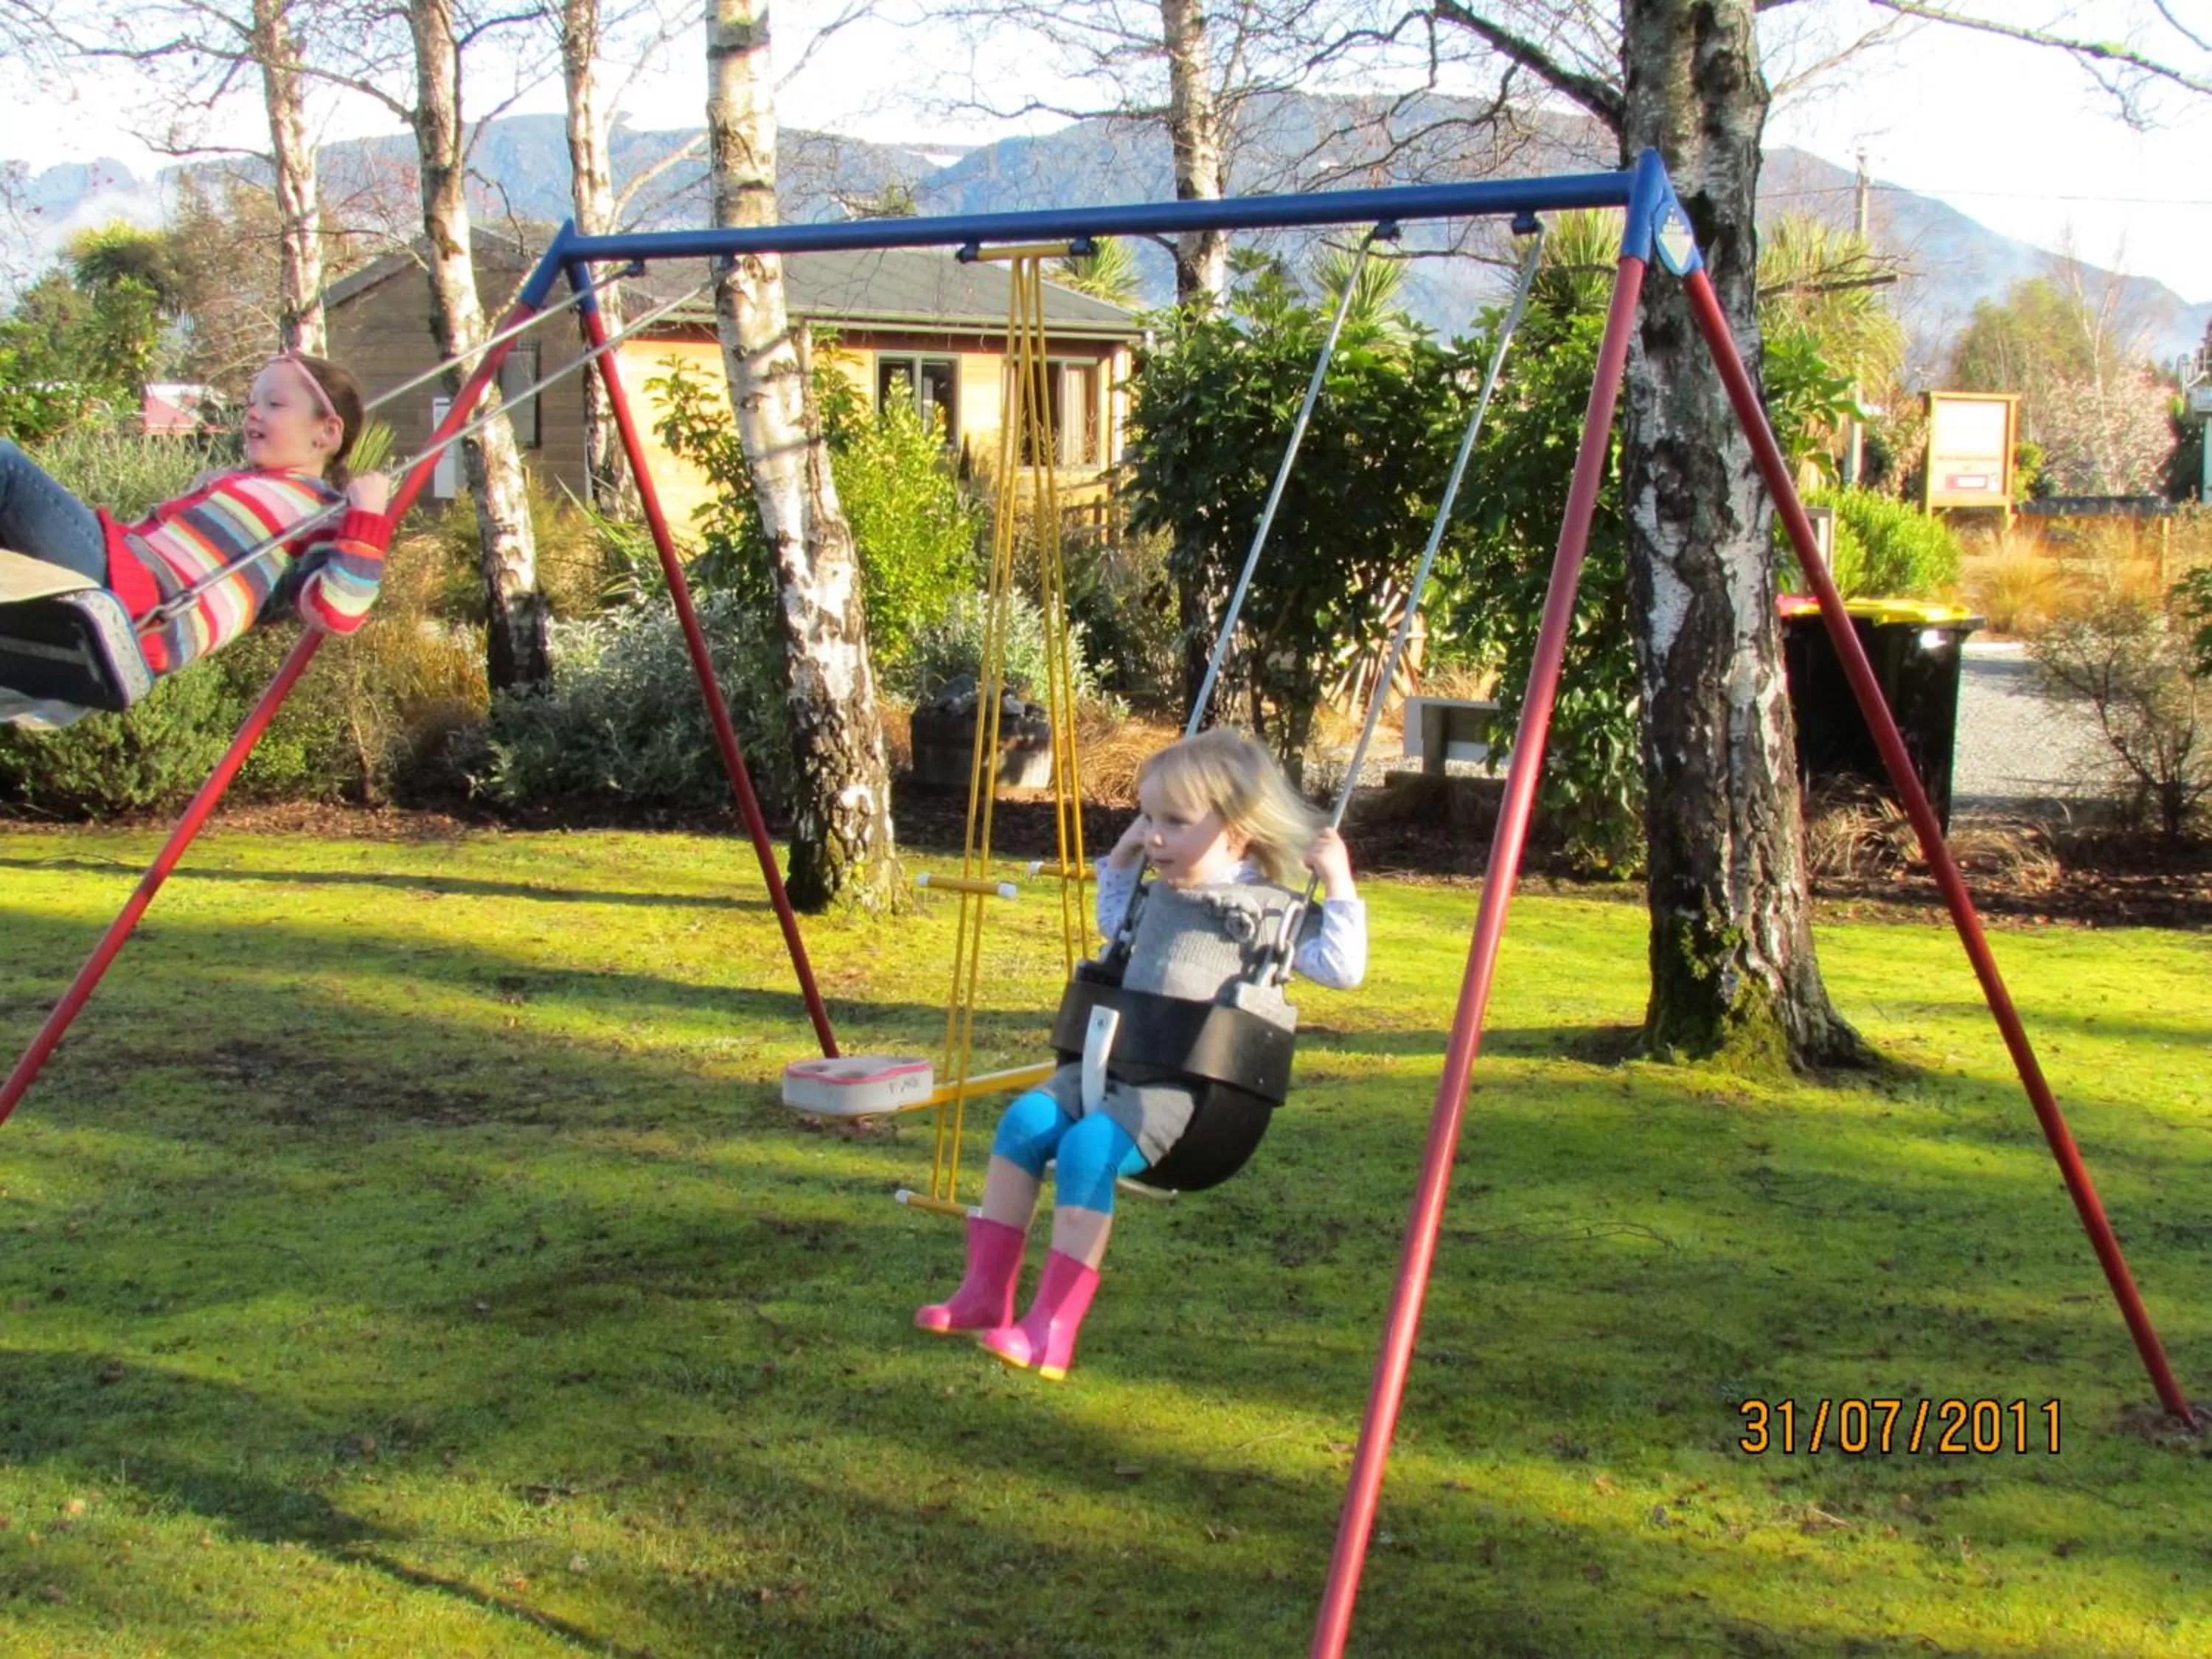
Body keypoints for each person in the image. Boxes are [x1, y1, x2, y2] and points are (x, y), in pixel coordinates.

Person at [916, 726, 1366, 1382]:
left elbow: (1343, 968)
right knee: (1023, 1123)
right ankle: (985, 1293)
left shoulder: (1270, 913)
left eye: (1174, 822)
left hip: (1184, 1091)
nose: (1154, 835)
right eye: (1147, 817)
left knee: (1087, 1150)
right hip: (1110, 1063)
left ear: (1237, 833)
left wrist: (1339, 882)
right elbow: (1112, 921)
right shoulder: (1156, 895)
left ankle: (1052, 1330)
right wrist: (1122, 861)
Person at [0, 351, 392, 724]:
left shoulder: (322, 514)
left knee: (6, 468)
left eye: (275, 404)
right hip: (117, 571)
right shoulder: (236, 482)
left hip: (132, 600)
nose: (253, 413)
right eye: (251, 403)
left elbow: (339, 613)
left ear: (327, 432)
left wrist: (367, 517)